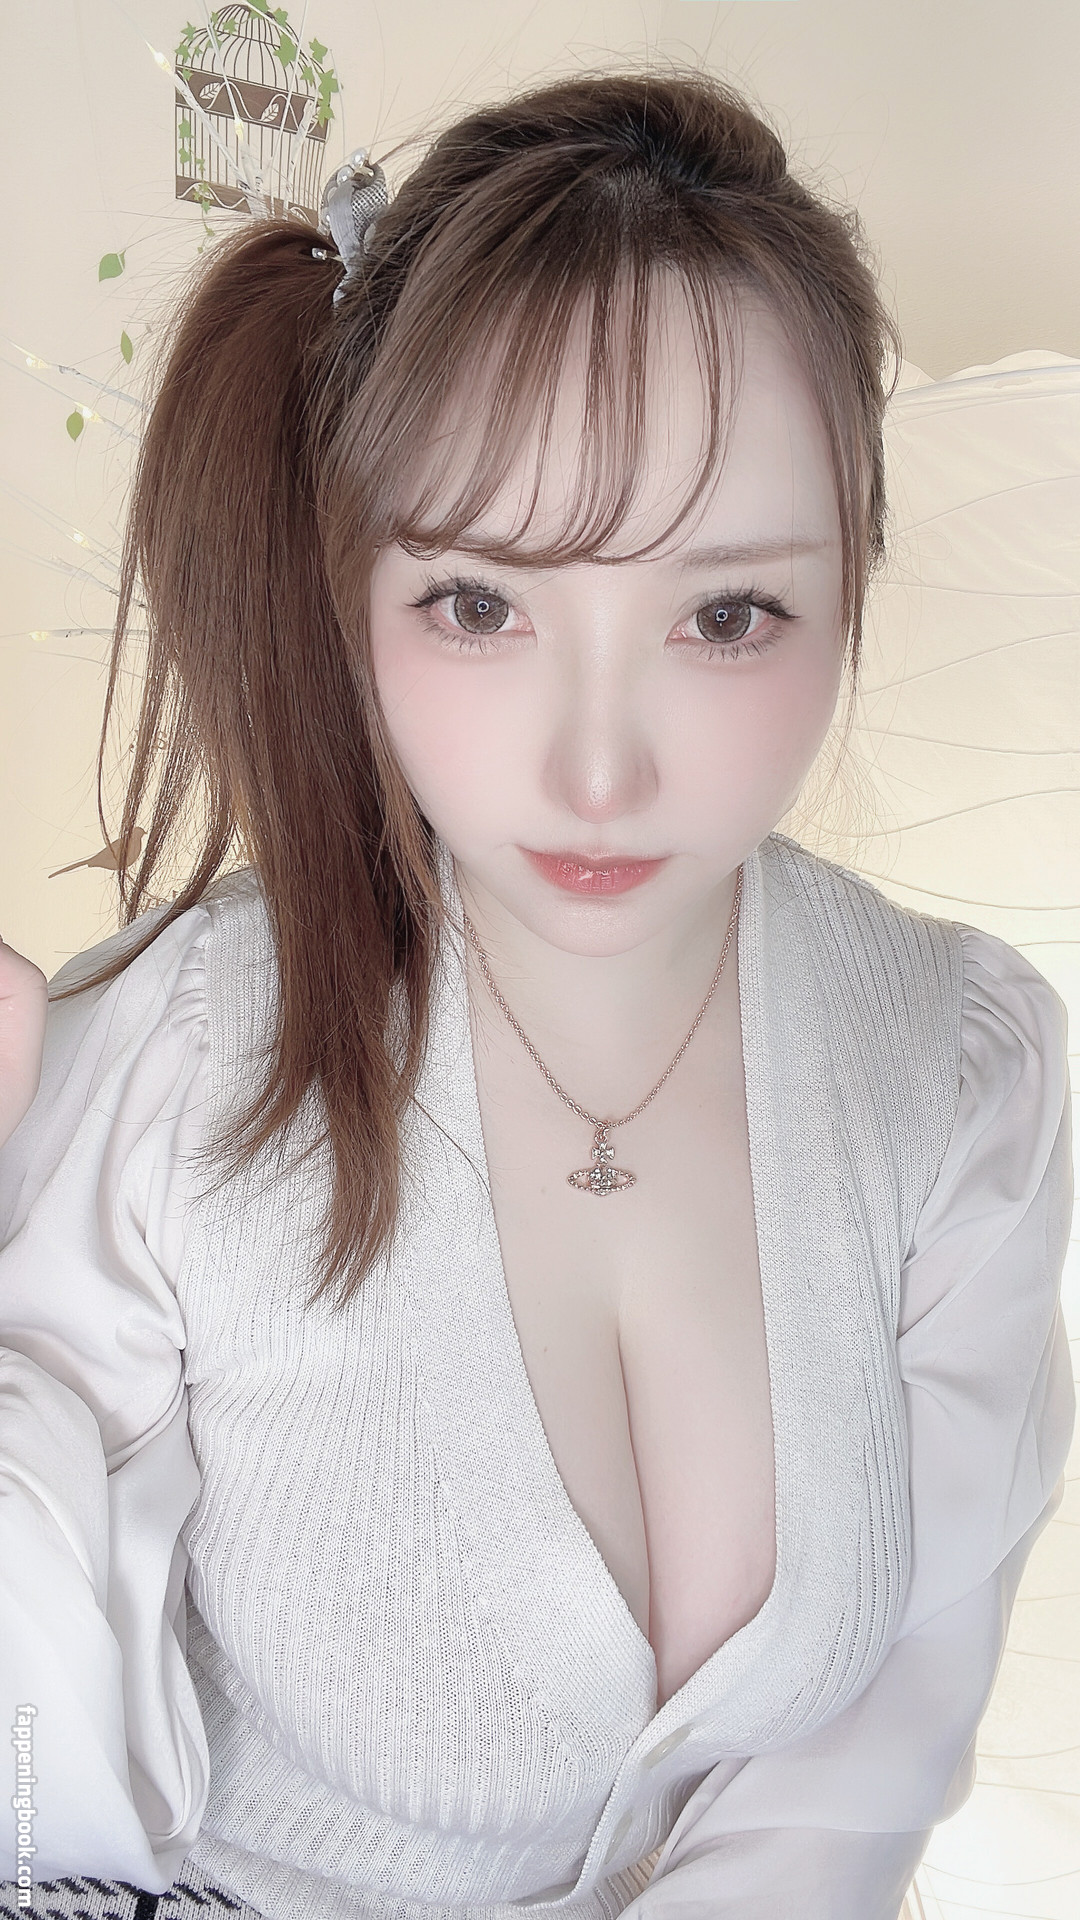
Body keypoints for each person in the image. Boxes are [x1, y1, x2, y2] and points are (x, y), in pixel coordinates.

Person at [0, 67, 1073, 1920]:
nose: (596, 772)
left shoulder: (960, 1071)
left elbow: (870, 1755)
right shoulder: (177, 1066)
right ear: (354, 592)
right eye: (481, 606)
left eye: (726, 616)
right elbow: (43, 1778)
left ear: (852, 585)